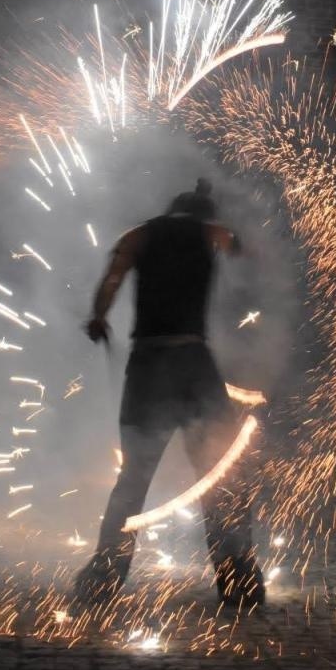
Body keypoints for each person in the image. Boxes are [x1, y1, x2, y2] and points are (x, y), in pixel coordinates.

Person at [73, 180, 262, 609]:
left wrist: (99, 318)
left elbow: (113, 277)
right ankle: (238, 580)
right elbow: (240, 247)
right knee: (222, 479)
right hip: (193, 367)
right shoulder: (208, 232)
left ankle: (103, 578)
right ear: (202, 213)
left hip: (148, 368)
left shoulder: (139, 234)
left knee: (133, 479)